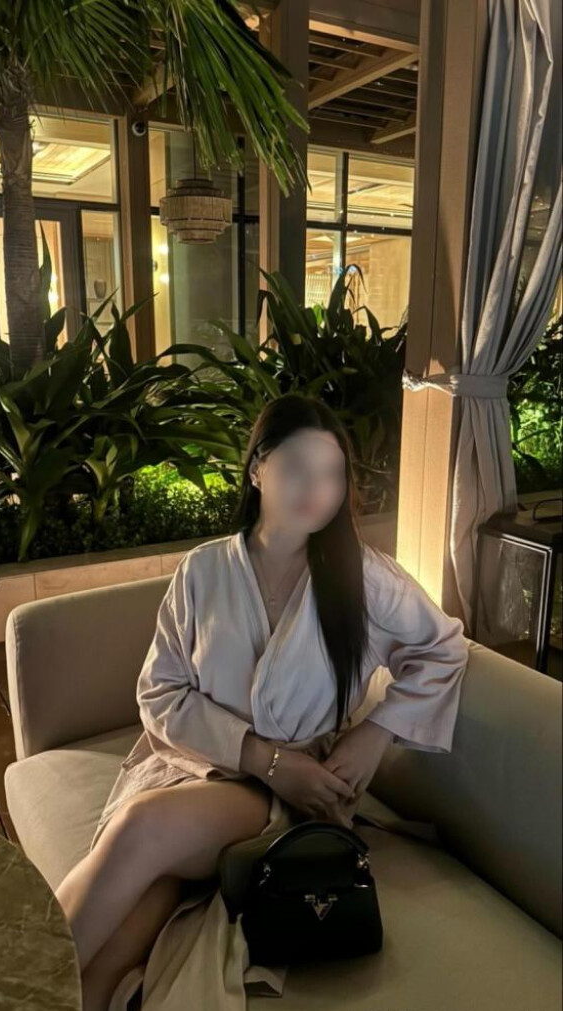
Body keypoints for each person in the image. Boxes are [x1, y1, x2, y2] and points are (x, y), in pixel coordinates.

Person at [55, 393, 470, 1011]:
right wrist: (261, 757)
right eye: (297, 467)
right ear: (257, 470)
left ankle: (5, 978)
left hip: (293, 797)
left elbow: (443, 648)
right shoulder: (202, 572)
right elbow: (160, 690)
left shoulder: (363, 577)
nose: (317, 490)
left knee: (139, 828)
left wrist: (376, 731)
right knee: (128, 927)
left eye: (332, 473)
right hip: (196, 766)